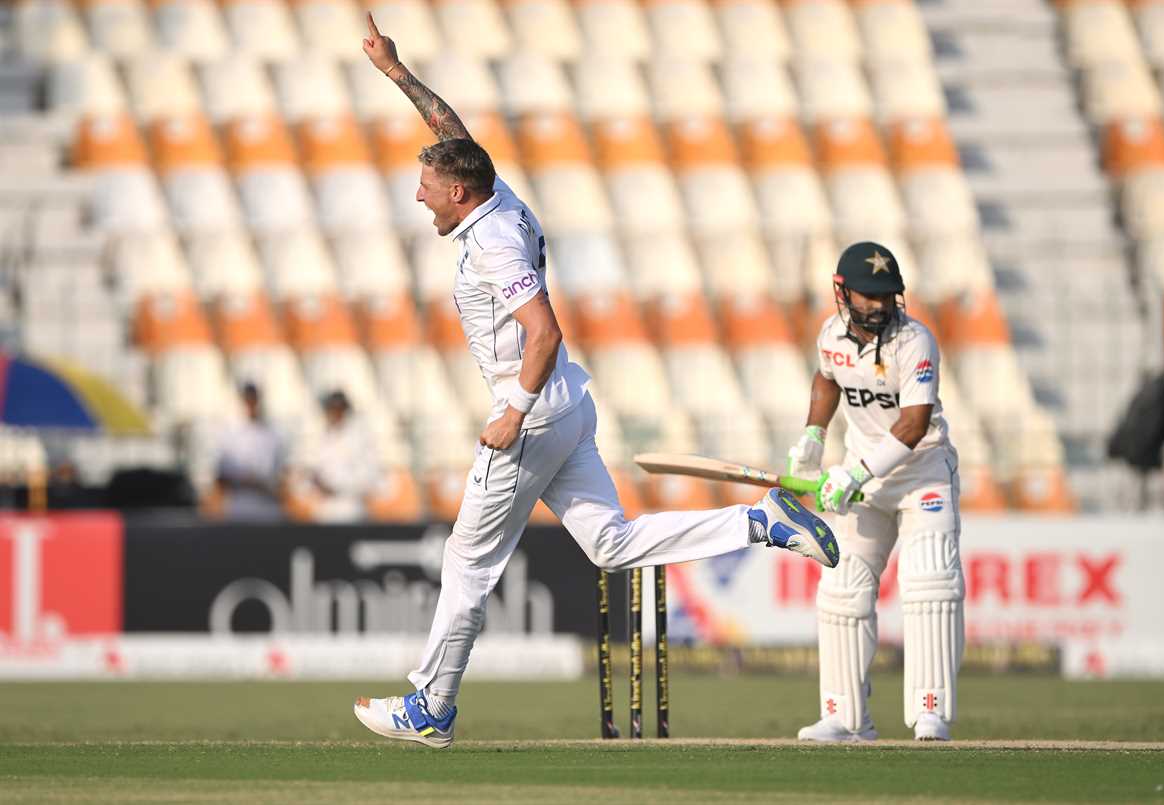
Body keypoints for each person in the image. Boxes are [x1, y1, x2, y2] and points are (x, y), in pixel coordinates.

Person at [353, 13, 840, 748]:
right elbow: (452, 130)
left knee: (467, 561)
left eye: (426, 185)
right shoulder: (494, 194)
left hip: (537, 410)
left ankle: (431, 706)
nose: (419, 194)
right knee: (610, 543)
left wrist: (512, 412)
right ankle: (758, 519)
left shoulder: (492, 241)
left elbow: (545, 331)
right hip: (568, 408)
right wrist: (396, 73)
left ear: (458, 194)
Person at [787, 241, 965, 743]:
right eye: (868, 295)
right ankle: (845, 718)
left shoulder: (916, 342)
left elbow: (913, 425)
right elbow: (827, 381)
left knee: (930, 582)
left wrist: (854, 473)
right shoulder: (830, 336)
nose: (879, 305)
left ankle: (931, 712)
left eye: (887, 295)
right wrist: (813, 436)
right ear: (843, 293)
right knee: (842, 587)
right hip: (863, 477)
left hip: (922, 474)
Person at [299, 389, 381, 523]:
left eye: (337, 409)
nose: (333, 414)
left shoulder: (360, 439)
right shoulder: (322, 439)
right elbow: (307, 480)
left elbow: (370, 479)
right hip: (325, 514)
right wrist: (313, 482)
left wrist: (336, 487)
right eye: (330, 409)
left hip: (352, 513)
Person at [214, 383, 285, 521]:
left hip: (266, 508)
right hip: (239, 508)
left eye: (253, 400)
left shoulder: (272, 435)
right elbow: (222, 477)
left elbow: (278, 478)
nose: (251, 404)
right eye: (247, 400)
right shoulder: (229, 435)